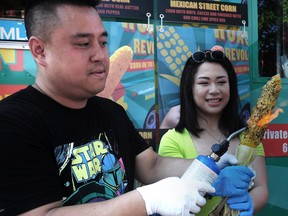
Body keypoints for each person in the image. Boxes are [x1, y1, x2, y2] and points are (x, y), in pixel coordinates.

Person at [0, 1, 254, 215]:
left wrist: (206, 172)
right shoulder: (14, 122)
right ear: (39, 50)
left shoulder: (111, 112)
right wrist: (146, 200)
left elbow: (152, 166)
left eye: (102, 42)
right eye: (83, 44)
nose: (100, 55)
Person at [158, 45, 268, 215]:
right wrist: (213, 186)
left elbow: (261, 187)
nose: (214, 90)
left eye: (221, 82)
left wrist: (247, 203)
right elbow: (170, 199)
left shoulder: (248, 137)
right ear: (190, 89)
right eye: (204, 83)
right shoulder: (173, 139)